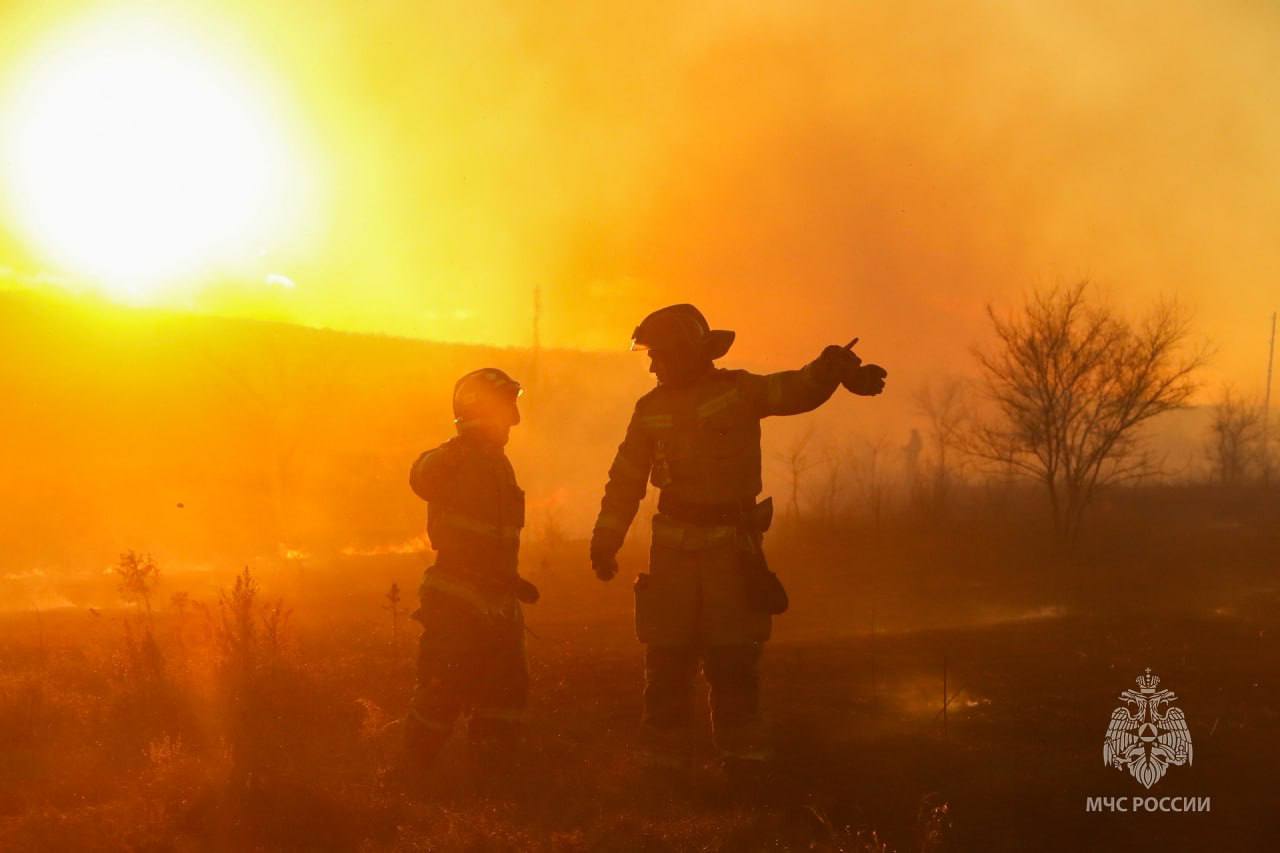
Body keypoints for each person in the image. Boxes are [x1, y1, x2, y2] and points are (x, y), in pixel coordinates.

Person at [589, 304, 886, 774]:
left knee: (734, 657)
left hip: (732, 549)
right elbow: (625, 479)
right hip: (672, 555)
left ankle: (743, 761)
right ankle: (663, 763)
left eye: (659, 355)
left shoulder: (738, 391)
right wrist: (605, 540)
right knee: (666, 657)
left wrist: (831, 369)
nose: (651, 365)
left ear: (687, 353)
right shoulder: (650, 410)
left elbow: (792, 389)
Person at [402, 367, 539, 783]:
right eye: (507, 408)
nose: (513, 420)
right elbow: (420, 476)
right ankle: (413, 775)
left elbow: (493, 533)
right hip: (456, 597)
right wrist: (458, 448)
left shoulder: (500, 465)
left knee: (505, 692)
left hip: (498, 600)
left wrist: (512, 580)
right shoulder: (454, 457)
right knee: (444, 687)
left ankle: (492, 779)